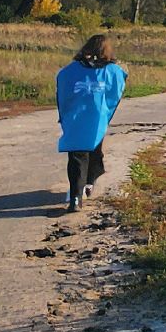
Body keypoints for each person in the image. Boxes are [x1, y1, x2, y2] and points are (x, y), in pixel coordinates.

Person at [56, 33, 127, 212]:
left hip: (77, 118)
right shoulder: (111, 71)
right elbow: (116, 90)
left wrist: (66, 113)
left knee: (77, 156)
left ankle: (76, 197)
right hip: (95, 119)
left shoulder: (71, 70)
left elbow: (63, 88)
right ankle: (86, 184)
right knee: (93, 151)